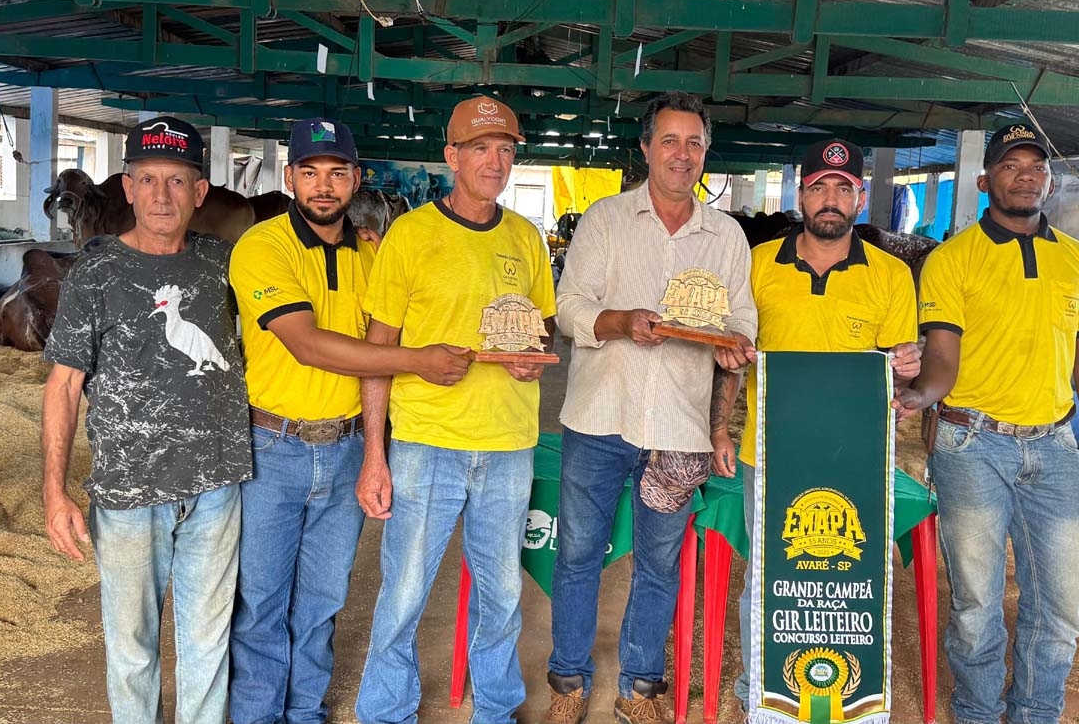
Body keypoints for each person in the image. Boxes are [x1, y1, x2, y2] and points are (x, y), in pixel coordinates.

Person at [228, 117, 470, 724]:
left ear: (357, 180)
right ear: (290, 178)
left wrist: (375, 451)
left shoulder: (372, 256)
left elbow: (402, 328)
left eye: (337, 173)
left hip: (346, 448)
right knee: (260, 601)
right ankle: (257, 716)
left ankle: (304, 711)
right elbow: (308, 345)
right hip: (272, 446)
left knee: (322, 599)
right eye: (310, 173)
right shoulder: (261, 247)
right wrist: (419, 360)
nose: (324, 186)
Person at [544, 92, 757, 724]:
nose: (682, 155)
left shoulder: (726, 236)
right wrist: (620, 322)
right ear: (645, 148)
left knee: (660, 565)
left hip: (679, 432)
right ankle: (568, 681)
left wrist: (734, 344)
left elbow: (742, 318)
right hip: (598, 419)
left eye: (694, 143)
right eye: (669, 141)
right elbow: (569, 307)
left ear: (706, 153)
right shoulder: (605, 220)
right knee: (578, 555)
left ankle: (639, 688)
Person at [897, 122, 1079, 724]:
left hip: (1055, 446)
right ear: (984, 180)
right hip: (971, 444)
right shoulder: (951, 260)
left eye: (1036, 167)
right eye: (1011, 165)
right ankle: (975, 710)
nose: (1026, 176)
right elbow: (943, 357)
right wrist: (919, 395)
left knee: (1062, 604)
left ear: (1049, 182)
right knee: (976, 603)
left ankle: (1035, 712)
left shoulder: (1078, 261)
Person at [41, 116, 251, 724]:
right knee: (132, 648)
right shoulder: (95, 272)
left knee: (209, 641)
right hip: (128, 496)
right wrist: (54, 492)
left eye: (177, 180)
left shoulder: (222, 264)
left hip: (216, 486)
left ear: (200, 191)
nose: (163, 195)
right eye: (149, 179)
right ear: (127, 188)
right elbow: (64, 384)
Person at [355, 96, 556, 724]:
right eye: (480, 148)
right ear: (452, 157)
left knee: (502, 595)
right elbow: (377, 351)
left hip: (508, 443)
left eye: (506, 150)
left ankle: (495, 710)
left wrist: (531, 356)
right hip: (426, 442)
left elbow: (542, 328)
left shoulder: (526, 238)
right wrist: (374, 455)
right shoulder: (411, 236)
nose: (495, 161)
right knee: (404, 591)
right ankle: (386, 710)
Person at [712, 138, 922, 709]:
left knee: (851, 576)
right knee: (769, 574)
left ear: (860, 198)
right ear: (800, 196)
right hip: (769, 453)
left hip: (856, 459)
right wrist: (720, 429)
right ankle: (762, 695)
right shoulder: (757, 265)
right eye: (818, 187)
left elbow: (894, 376)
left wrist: (907, 371)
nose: (830, 199)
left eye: (843, 189)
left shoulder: (891, 275)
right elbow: (733, 357)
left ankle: (846, 697)